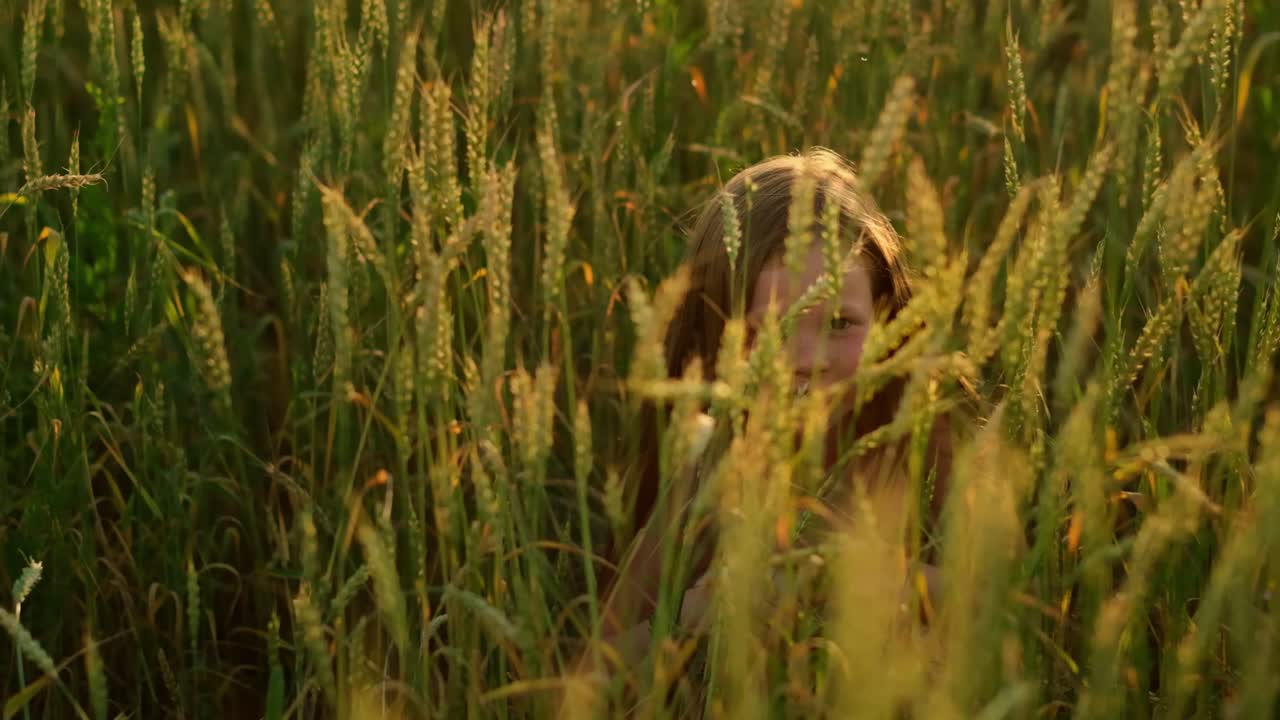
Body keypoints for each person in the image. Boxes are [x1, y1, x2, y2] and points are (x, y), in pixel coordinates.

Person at [593, 146, 955, 670]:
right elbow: (587, 673)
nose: (805, 361)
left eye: (839, 324)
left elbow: (998, 603)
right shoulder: (701, 464)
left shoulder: (917, 444)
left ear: (886, 319)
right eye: (766, 333)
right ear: (710, 337)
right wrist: (693, 615)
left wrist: (851, 577)